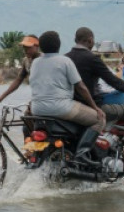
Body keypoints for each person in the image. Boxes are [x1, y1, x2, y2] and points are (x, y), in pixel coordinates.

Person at [29, 30, 106, 166]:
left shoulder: (35, 62)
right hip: (61, 108)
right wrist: (95, 107)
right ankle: (82, 153)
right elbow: (81, 87)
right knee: (99, 119)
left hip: (37, 110)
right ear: (58, 45)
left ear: (41, 46)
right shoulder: (65, 61)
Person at [0, 35, 41, 103]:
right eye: (24, 47)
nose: (26, 50)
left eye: (29, 47)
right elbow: (19, 80)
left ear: (37, 47)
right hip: (36, 96)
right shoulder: (26, 61)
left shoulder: (44, 60)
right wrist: (2, 97)